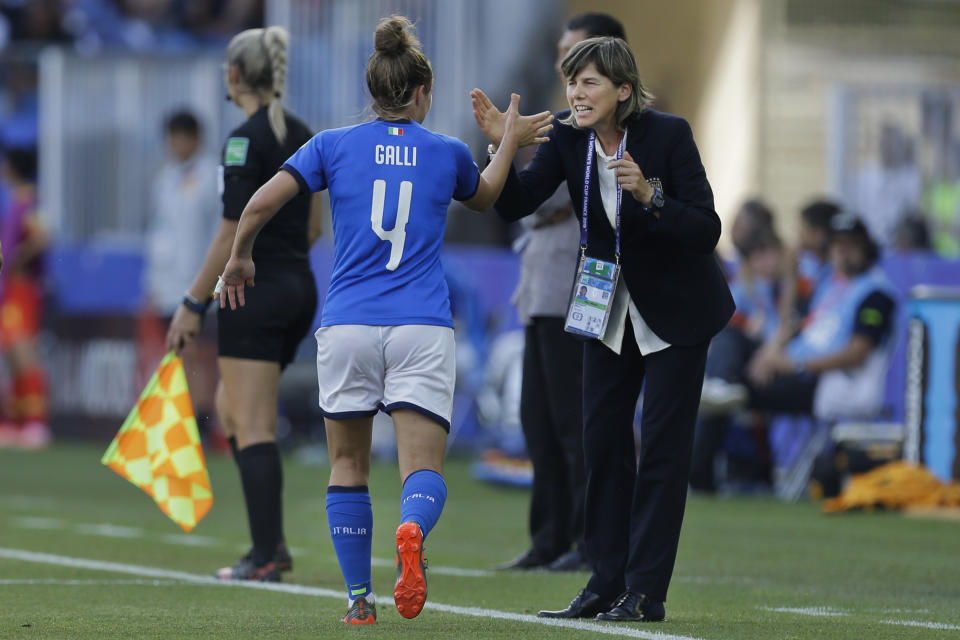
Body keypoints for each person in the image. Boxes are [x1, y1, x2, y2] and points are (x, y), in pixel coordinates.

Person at [216, 15, 552, 626]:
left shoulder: (333, 145)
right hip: (421, 325)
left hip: (347, 325)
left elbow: (261, 199)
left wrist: (239, 257)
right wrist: (506, 140)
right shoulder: (446, 152)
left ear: (373, 89)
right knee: (422, 468)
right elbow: (491, 194)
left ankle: (357, 602)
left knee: (347, 465)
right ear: (422, 93)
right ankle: (411, 530)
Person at [472, 36, 734, 622]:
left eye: (589, 82)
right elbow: (515, 204)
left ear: (622, 90)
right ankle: (603, 581)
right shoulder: (568, 137)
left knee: (663, 454)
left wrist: (649, 193)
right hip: (606, 309)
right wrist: (503, 148)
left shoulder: (668, 135)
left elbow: (706, 228)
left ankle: (645, 592)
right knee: (602, 446)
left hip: (677, 313)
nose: (576, 93)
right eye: (571, 82)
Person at [165, 26, 322, 583]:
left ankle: (266, 555)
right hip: (299, 288)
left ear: (234, 75)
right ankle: (269, 543)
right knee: (231, 406)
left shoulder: (241, 140)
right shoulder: (303, 133)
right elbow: (317, 222)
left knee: (251, 422)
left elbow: (230, 231)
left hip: (249, 291)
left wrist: (192, 303)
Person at [499, 11, 626, 574]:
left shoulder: (607, 128)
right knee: (540, 422)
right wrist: (505, 145)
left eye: (576, 53)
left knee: (577, 422)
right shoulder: (563, 124)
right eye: (562, 52)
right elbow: (522, 197)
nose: (563, 64)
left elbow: (549, 200)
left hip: (579, 285)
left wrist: (515, 150)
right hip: (542, 284)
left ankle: (584, 537)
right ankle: (548, 536)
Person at [0, 147, 51, 449]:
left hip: (23, 288)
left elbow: (43, 235)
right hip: (11, 289)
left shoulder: (29, 201)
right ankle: (17, 422)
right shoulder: (15, 200)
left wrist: (19, 258)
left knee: (23, 352)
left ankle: (36, 423)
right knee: (11, 353)